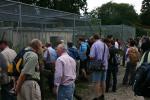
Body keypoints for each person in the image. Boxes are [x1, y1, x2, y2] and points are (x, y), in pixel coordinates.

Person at [89, 34, 109, 100]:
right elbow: (108, 56)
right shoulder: (105, 45)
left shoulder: (94, 45)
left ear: (94, 38)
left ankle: (96, 97)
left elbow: (92, 56)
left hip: (97, 66)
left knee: (97, 82)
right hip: (104, 65)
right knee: (103, 81)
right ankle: (102, 95)